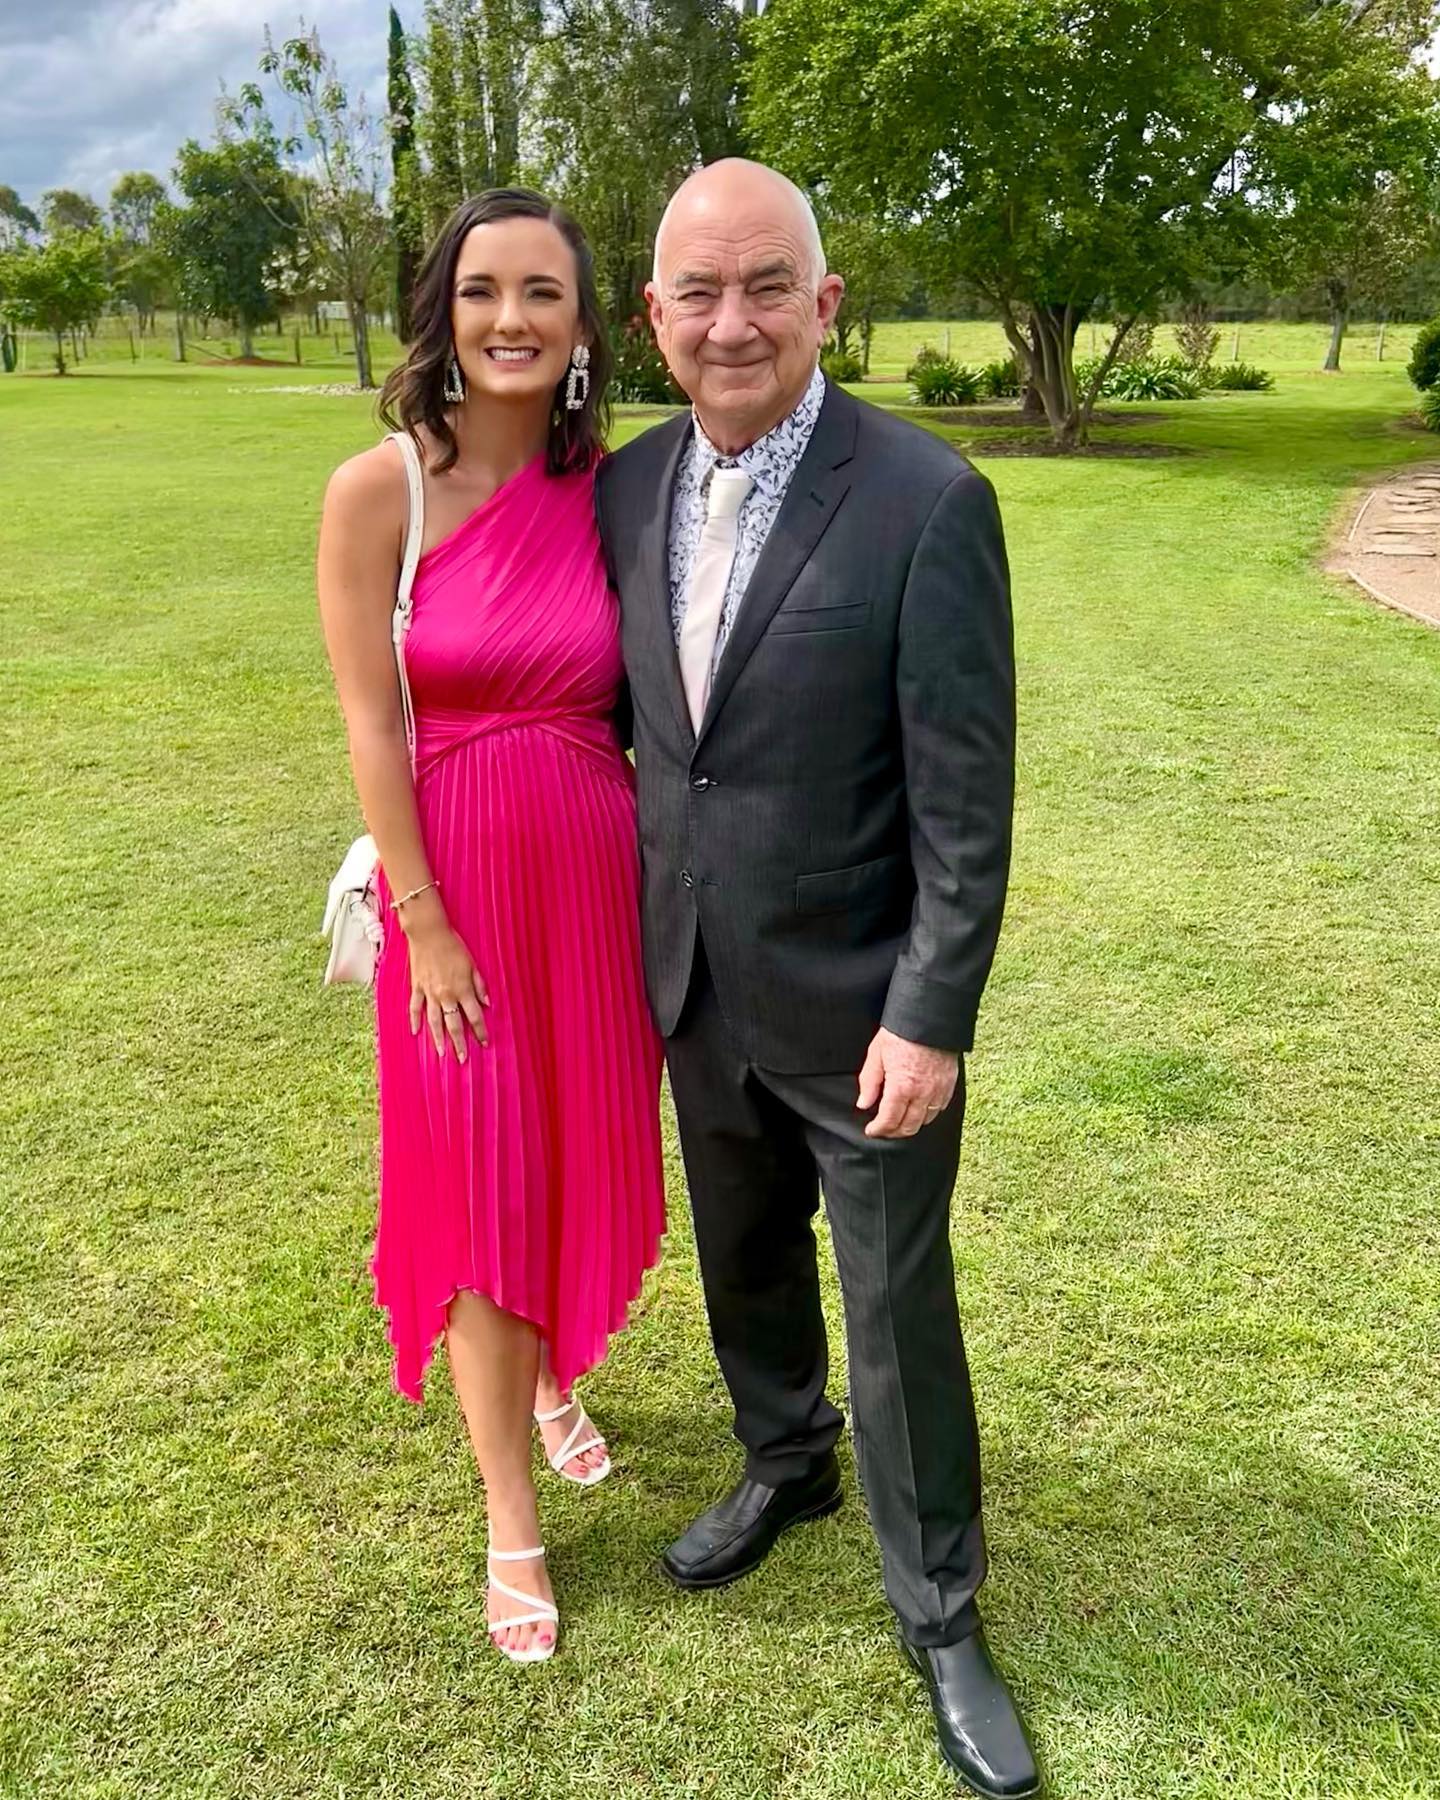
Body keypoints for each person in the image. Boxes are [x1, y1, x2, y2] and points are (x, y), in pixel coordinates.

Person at [594, 159, 1039, 1798]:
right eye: (700, 293)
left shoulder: (927, 499)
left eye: (768, 285)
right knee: (744, 1263)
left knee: (896, 1313)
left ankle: (942, 1614)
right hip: (695, 980)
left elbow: (965, 800)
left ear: (827, 302)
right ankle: (786, 1461)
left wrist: (931, 1012)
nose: (735, 323)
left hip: (864, 1011)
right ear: (653, 316)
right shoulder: (623, 490)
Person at [317, 189, 664, 1665]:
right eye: (480, 291)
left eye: (541, 293)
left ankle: (549, 1377)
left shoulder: (623, 494)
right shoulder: (378, 490)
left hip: (593, 885)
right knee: (476, 1186)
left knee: (566, 1155)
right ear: (442, 314)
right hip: (452, 892)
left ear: (584, 327)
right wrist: (424, 919)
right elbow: (369, 721)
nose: (509, 319)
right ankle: (509, 1516)